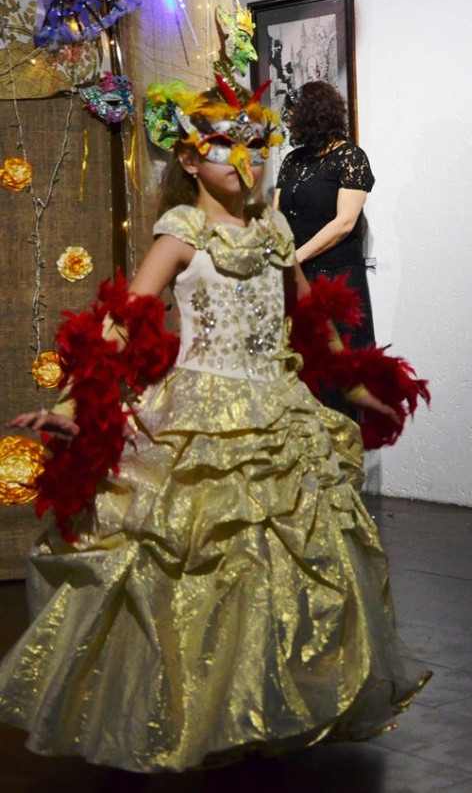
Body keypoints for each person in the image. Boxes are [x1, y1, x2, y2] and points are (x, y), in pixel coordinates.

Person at [0, 79, 430, 774]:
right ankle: (195, 709)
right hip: (200, 413)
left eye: (255, 144)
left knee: (290, 561)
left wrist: (356, 383)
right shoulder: (180, 232)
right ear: (191, 160)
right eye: (226, 145)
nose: (245, 158)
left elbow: (310, 318)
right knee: (197, 561)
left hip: (279, 410)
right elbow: (122, 324)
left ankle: (271, 701)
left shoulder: (277, 232)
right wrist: (75, 406)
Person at [274, 80, 376, 414]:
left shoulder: (350, 157)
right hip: (296, 279)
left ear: (314, 114)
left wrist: (295, 257)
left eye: (293, 113)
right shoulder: (292, 161)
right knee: (301, 374)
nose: (288, 121)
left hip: (338, 280)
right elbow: (276, 215)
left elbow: (344, 223)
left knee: (342, 378)